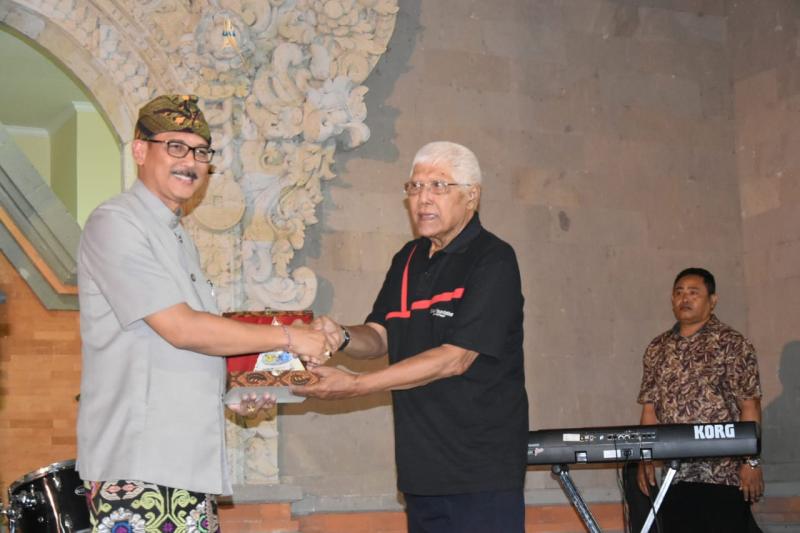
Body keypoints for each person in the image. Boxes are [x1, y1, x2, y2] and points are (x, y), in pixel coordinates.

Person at [76, 94, 331, 533]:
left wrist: (238, 389)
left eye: (200, 152)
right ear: (140, 150)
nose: (190, 162)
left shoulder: (178, 239)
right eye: (175, 147)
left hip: (186, 465)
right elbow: (181, 328)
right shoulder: (116, 222)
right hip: (138, 468)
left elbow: (188, 348)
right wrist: (290, 337)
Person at [293, 141, 529, 533]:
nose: (423, 198)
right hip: (420, 471)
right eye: (415, 187)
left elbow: (455, 358)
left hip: (480, 470)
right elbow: (380, 334)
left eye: (438, 186)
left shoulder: (494, 259)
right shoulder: (407, 258)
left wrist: (357, 385)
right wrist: (342, 336)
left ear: (472, 196)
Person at [636, 267, 763, 533]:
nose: (685, 298)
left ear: (712, 300)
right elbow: (650, 409)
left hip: (722, 476)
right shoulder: (657, 348)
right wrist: (645, 458)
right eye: (679, 292)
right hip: (674, 476)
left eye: (694, 293)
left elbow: (749, 405)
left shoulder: (732, 343)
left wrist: (750, 462)